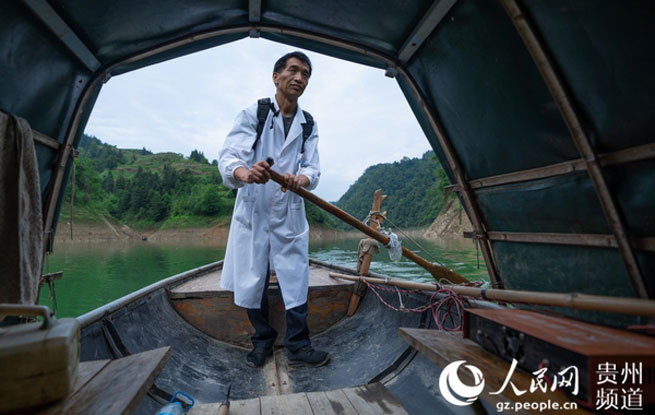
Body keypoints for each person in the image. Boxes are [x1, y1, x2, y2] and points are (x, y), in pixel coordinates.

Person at [218, 51, 329, 368]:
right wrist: (246, 173)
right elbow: (230, 157)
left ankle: (299, 345)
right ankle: (262, 341)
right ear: (276, 76)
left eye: (305, 74)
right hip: (254, 207)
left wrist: (300, 179)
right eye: (293, 70)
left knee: (296, 276)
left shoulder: (308, 124)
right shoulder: (254, 113)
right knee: (251, 277)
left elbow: (312, 168)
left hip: (288, 207)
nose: (299, 78)